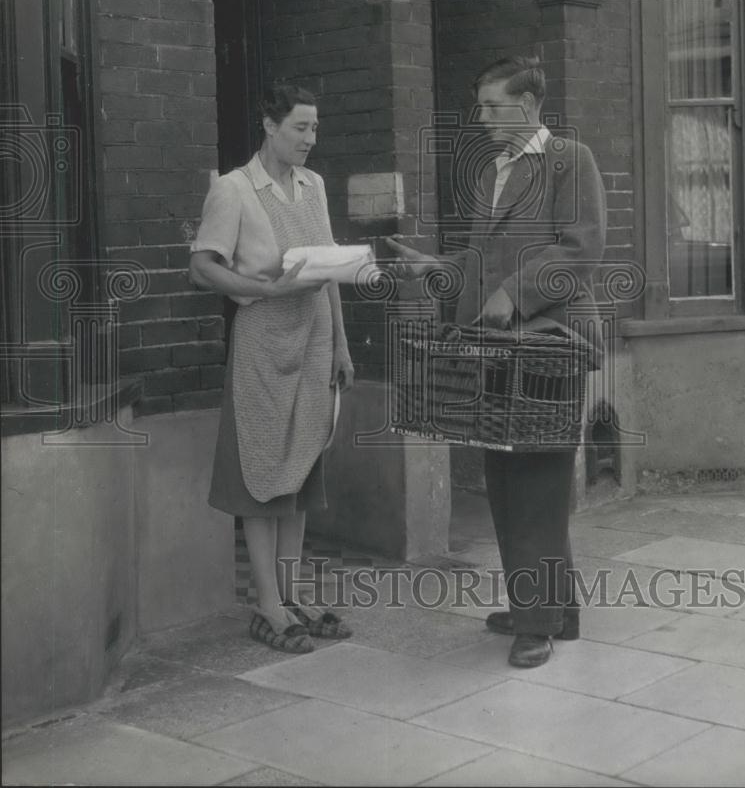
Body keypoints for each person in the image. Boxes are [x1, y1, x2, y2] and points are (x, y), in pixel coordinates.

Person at [388, 56, 607, 668]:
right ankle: (552, 608)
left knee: (536, 479)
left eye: (492, 106)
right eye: (480, 106)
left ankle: (535, 624)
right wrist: (438, 269)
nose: (481, 118)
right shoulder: (494, 173)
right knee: (507, 476)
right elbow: (487, 263)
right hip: (502, 346)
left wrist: (516, 293)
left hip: (551, 341)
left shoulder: (569, 158)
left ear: (529, 105)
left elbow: (582, 247)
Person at [189, 84, 355, 655]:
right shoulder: (234, 190)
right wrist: (261, 288)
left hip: (315, 340)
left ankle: (293, 595)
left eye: (314, 129)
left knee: (301, 466)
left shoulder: (315, 187)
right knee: (262, 472)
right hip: (262, 342)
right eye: (300, 129)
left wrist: (341, 345)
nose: (310, 139)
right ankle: (267, 604)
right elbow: (202, 267)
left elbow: (328, 267)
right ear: (269, 125)